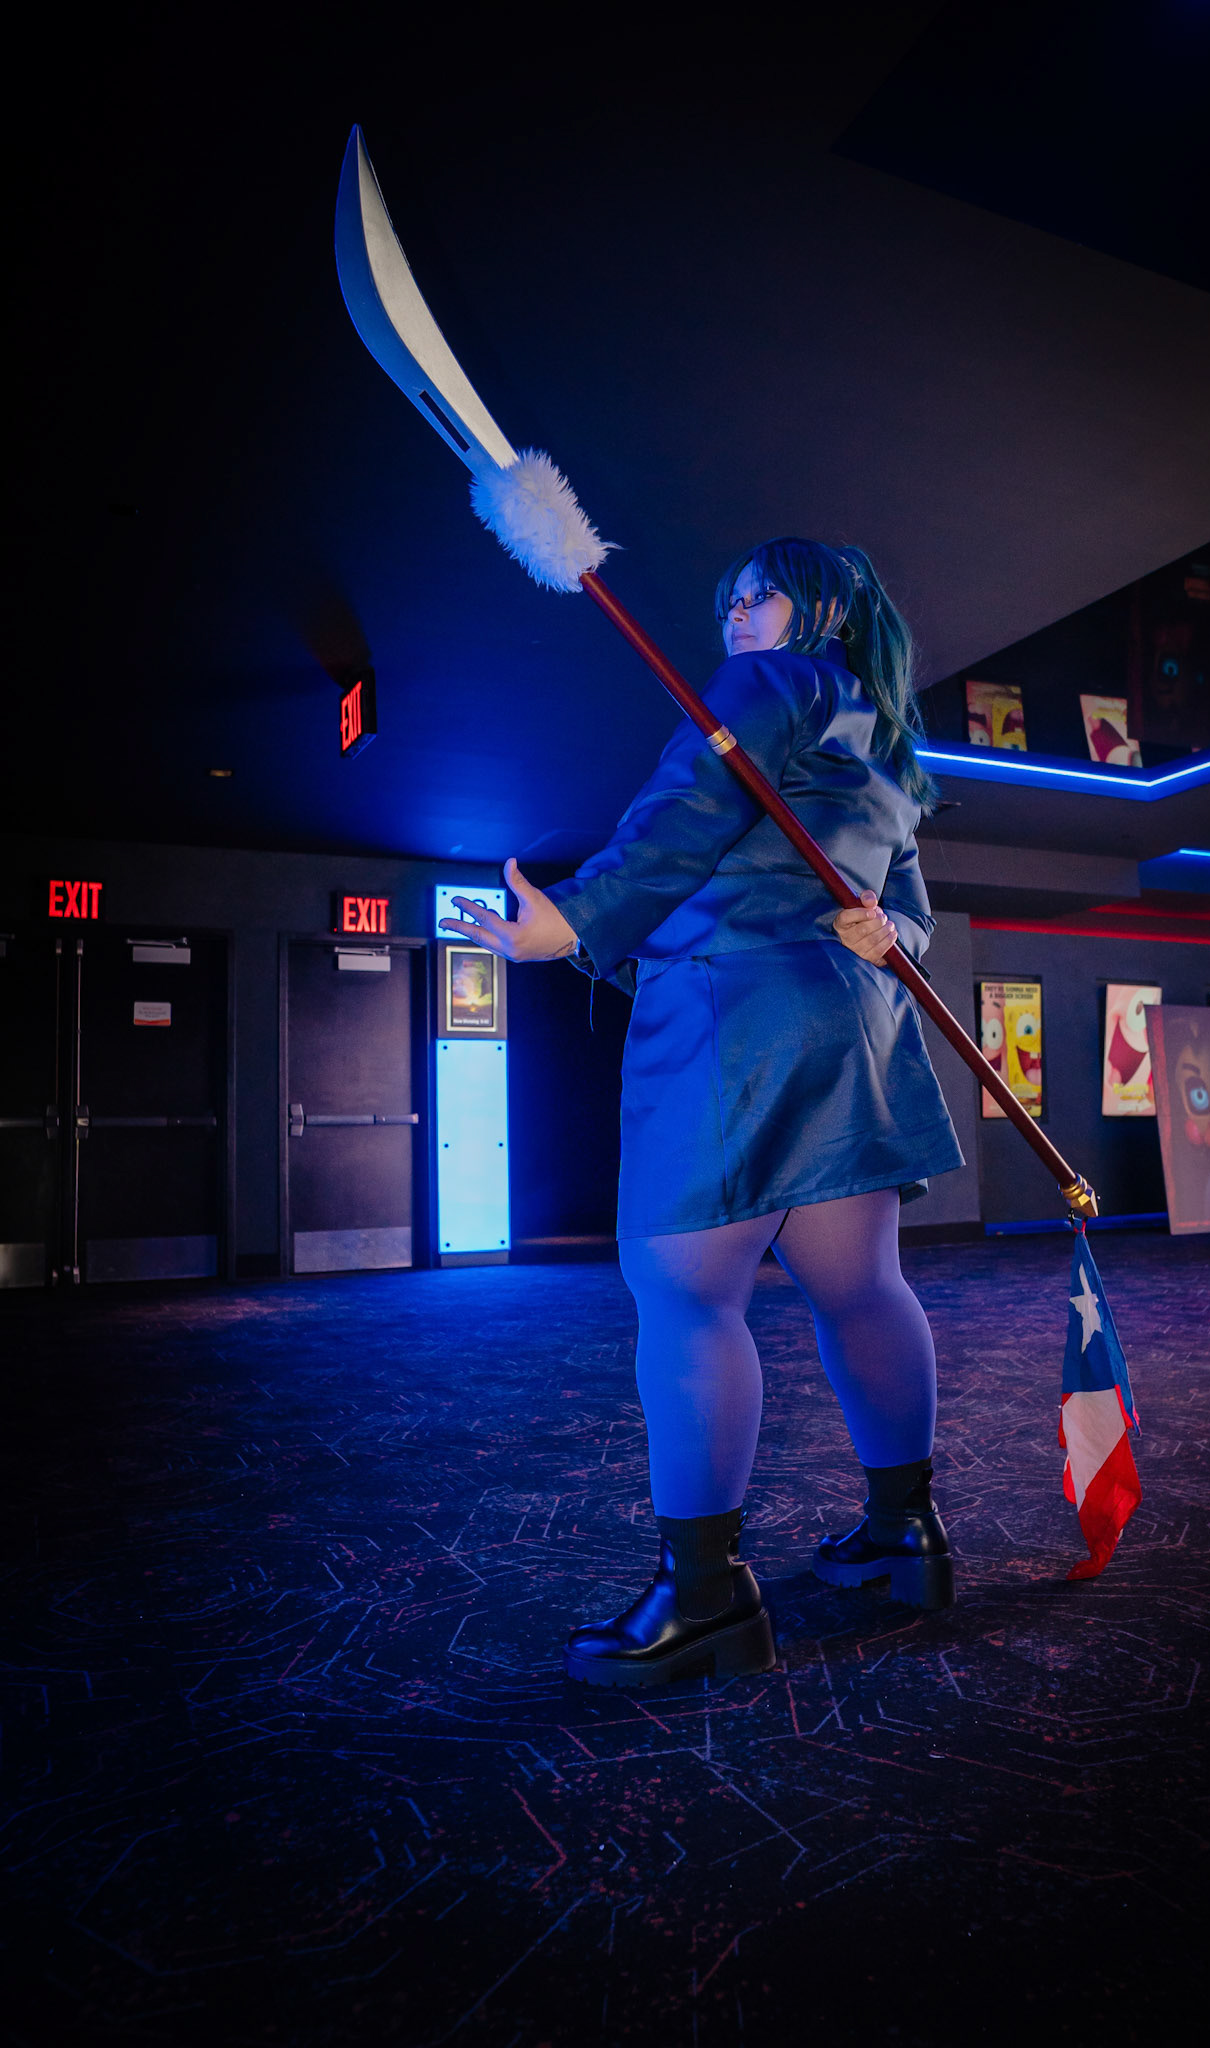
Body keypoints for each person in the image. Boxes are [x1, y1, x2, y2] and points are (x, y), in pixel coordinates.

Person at [449, 538, 964, 1687]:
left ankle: (706, 1596)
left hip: (736, 1016)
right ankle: (906, 1532)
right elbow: (908, 911)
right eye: (730, 596)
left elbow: (688, 806)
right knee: (862, 1286)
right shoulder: (886, 738)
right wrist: (890, 934)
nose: (739, 611)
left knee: (684, 1293)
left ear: (823, 607)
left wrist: (576, 917)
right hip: (850, 1024)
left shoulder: (765, 682)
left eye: (763, 593)